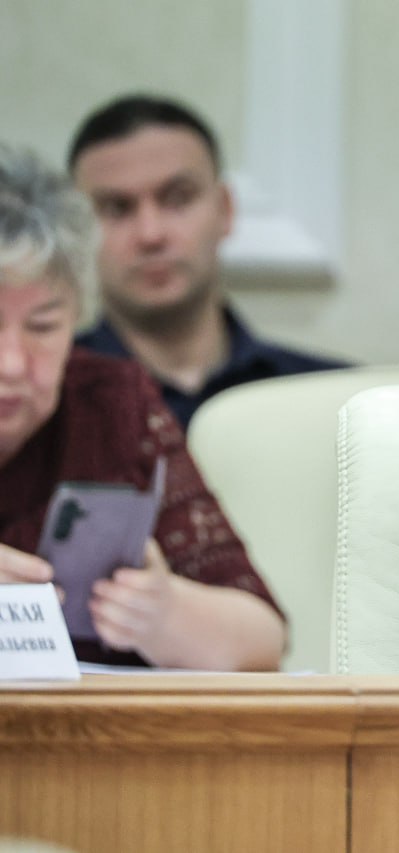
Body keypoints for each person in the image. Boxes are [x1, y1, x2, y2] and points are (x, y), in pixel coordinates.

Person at [0, 143, 286, 670]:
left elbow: (263, 639)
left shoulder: (113, 404)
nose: (14, 363)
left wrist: (164, 614)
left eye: (43, 326)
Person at [67, 94, 347, 430]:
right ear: (77, 232)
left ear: (225, 210)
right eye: (116, 208)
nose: (151, 234)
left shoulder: (336, 405)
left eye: (178, 198)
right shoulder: (36, 410)